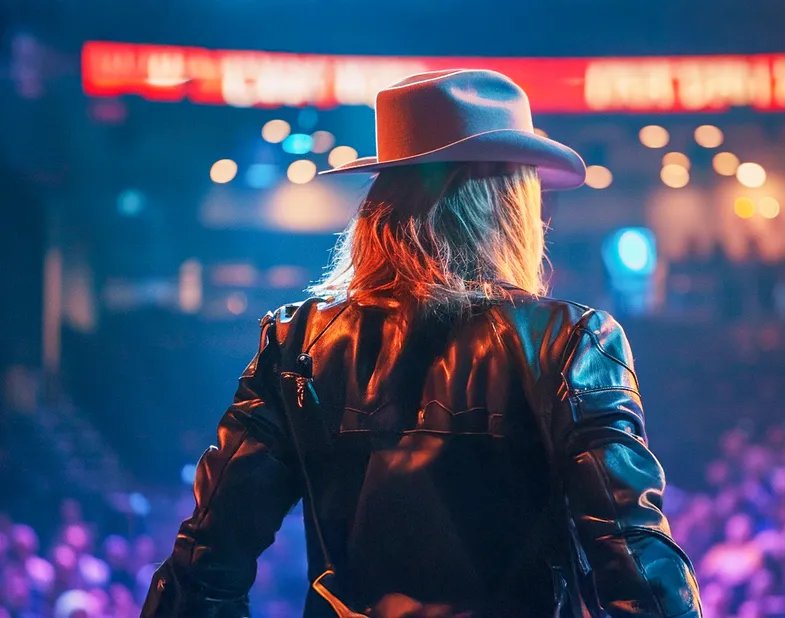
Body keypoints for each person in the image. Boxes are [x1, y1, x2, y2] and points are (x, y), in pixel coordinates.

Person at [140, 69, 702, 618]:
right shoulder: (570, 340)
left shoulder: (297, 341)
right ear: (508, 202)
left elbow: (206, 561)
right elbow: (634, 554)